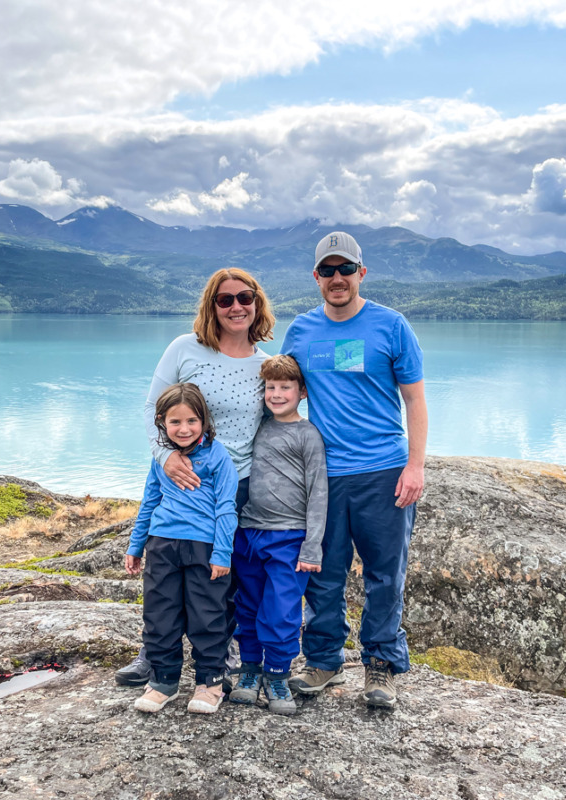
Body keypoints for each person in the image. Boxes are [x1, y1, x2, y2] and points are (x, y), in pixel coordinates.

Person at [282, 231, 427, 709]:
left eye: (346, 269)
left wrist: (415, 465)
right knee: (323, 572)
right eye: (328, 270)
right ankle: (323, 661)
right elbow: (278, 395)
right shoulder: (301, 331)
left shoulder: (391, 326)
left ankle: (381, 665)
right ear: (317, 278)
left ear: (361, 273)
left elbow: (415, 400)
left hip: (383, 470)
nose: (338, 278)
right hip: (323, 474)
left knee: (385, 573)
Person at [115, 268, 275, 687]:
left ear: (257, 303)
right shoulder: (185, 349)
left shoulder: (265, 364)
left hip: (238, 483)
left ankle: (220, 657)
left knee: (223, 576)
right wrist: (165, 456)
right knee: (166, 579)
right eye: (225, 300)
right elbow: (154, 409)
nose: (236, 306)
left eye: (245, 297)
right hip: (181, 479)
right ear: (212, 305)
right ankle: (153, 655)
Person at [125, 382, 238, 714]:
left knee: (208, 615)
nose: (184, 429)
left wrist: (222, 552)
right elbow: (149, 502)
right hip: (163, 545)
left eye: (192, 421)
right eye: (175, 422)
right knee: (160, 614)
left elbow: (226, 507)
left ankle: (210, 682)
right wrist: (136, 545)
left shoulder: (218, 456)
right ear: (161, 422)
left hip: (204, 546)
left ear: (203, 420)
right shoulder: (162, 459)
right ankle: (163, 681)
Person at [229, 355, 327, 715]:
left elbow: (319, 492)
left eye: (285, 387)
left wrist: (312, 545)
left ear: (301, 392)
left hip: (289, 538)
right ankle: (250, 670)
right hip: (250, 533)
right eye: (270, 387)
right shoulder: (258, 427)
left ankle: (278, 675)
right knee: (249, 604)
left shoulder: (308, 435)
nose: (276, 393)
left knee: (282, 610)